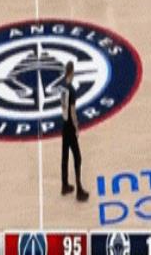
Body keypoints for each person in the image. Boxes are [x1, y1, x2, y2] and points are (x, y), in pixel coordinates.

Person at [60, 61, 89, 202]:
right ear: (71, 72)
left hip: (64, 124)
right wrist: (77, 127)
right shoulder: (71, 90)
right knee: (77, 157)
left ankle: (64, 185)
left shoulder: (62, 87)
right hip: (70, 126)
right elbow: (72, 111)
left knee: (65, 156)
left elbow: (63, 106)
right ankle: (79, 190)